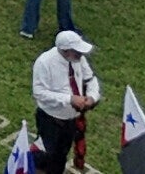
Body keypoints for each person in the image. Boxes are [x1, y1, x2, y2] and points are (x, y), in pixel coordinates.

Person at [27, 29, 97, 174]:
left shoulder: (79, 59)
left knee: (61, 155)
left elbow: (90, 79)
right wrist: (69, 99)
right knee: (45, 154)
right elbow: (39, 92)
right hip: (51, 119)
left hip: (71, 120)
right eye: (76, 51)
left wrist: (92, 96)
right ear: (65, 50)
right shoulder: (44, 62)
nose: (81, 55)